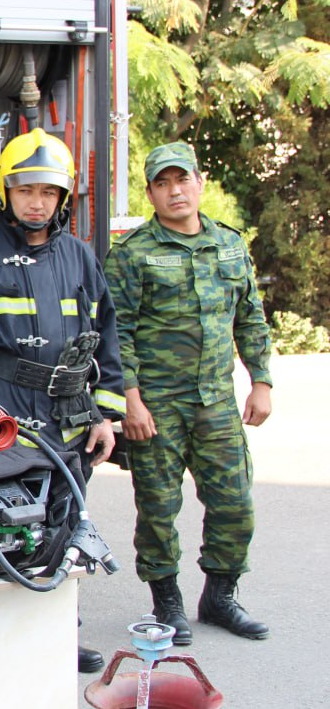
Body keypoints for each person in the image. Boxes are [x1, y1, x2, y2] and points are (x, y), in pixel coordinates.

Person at [0, 128, 125, 673]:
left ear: (63, 197)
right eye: (26, 190)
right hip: (4, 415)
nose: (37, 201)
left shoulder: (81, 258)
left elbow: (107, 336)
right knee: (0, 524)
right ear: (6, 193)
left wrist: (105, 414)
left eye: (48, 191)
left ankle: (60, 636)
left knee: (65, 526)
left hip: (69, 418)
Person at [104, 141, 272, 644]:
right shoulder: (134, 254)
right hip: (156, 407)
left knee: (235, 503)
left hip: (216, 401)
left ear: (199, 182)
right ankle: (167, 603)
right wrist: (129, 400)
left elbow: (251, 316)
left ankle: (220, 596)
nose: (175, 191)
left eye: (183, 180)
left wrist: (261, 380)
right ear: (151, 192)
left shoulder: (230, 245)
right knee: (158, 510)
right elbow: (117, 334)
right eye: (162, 183)